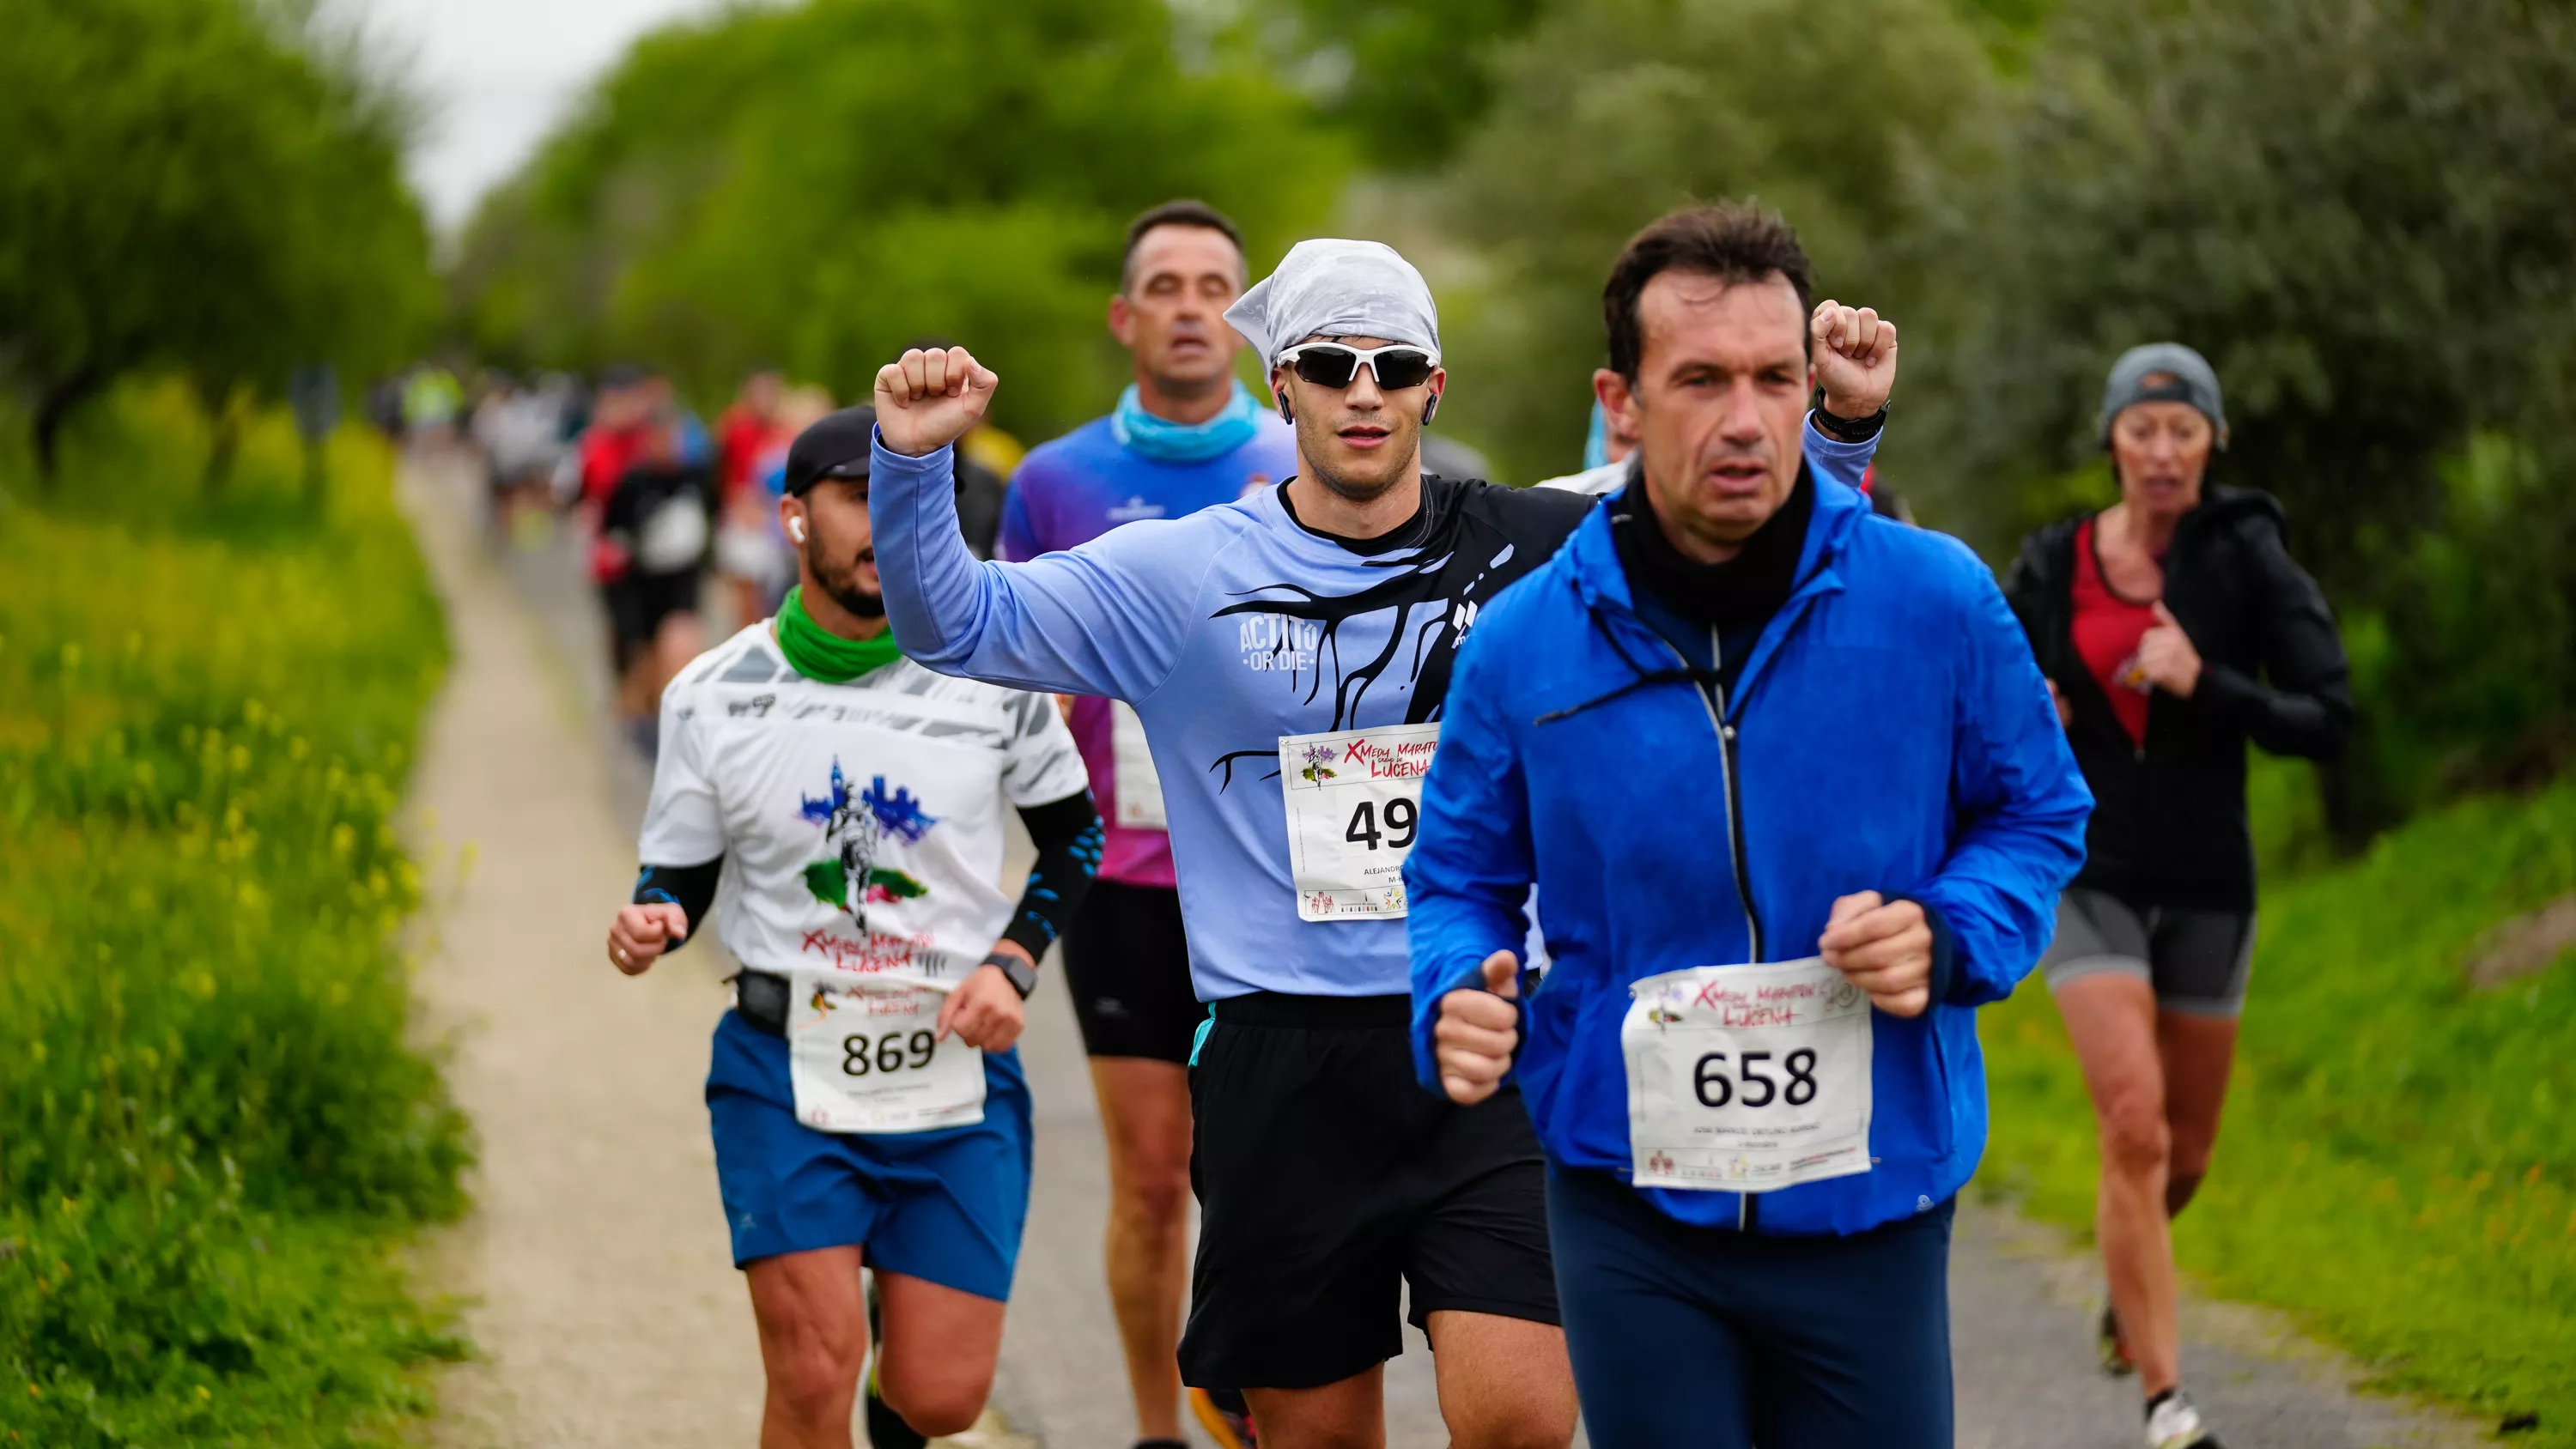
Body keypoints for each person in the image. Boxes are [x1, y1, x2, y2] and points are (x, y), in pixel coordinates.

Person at [865, 237, 1889, 1449]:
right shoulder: (1179, 575)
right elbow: (954, 625)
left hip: (1489, 1034)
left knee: (1520, 1419)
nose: (1364, 391)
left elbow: (1755, 537)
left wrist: (1841, 425)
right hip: (1282, 1055)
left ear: (1431, 389)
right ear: (1281, 386)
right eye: (1332, 365)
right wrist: (912, 464)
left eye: (1394, 366)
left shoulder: (1538, 541)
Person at [1406, 203, 2093, 1449]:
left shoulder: (1934, 599)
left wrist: (1949, 932)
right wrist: (1456, 985)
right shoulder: (1521, 644)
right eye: (1701, 379)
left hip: (1869, 1196)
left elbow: (2037, 813)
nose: (1746, 418)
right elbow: (1456, 876)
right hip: (1630, 1196)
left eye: (1777, 378)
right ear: (1622, 401)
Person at [603, 403, 1103, 1449]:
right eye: (855, 496)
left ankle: (900, 1368)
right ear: (791, 517)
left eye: (908, 497)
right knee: (813, 1365)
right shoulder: (713, 692)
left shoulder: (993, 675)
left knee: (940, 1395)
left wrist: (1013, 964)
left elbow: (1075, 839)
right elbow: (680, 870)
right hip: (784, 1065)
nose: (885, 522)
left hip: (953, 1069)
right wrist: (658, 914)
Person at [2003, 343, 2351, 1449]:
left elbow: (2328, 714)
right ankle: (2168, 1398)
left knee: (2187, 1152)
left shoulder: (2247, 556)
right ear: (2111, 439)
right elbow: (1984, 682)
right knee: (2135, 1125)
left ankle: (2126, 1282)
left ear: (2212, 444)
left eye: (2183, 431)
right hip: (2089, 873)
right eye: (2142, 430)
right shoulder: (2055, 561)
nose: (2161, 452)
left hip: (2211, 882)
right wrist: (2031, 708)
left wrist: (2214, 683)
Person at [994, 198, 1296, 1449]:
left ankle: (1267, 1410)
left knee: (1273, 1186)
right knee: (1153, 1181)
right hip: (1125, 880)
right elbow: (1005, 674)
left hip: (1279, 881)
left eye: (1210, 284)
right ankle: (1153, 1430)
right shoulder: (1056, 483)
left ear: (1241, 318)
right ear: (1125, 318)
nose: (1186, 304)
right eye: (1162, 285)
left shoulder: (1302, 459)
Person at [717, 367, 793, 625]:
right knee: (747, 593)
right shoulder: (734, 429)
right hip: (745, 518)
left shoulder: (783, 430)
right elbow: (727, 477)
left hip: (772, 519)